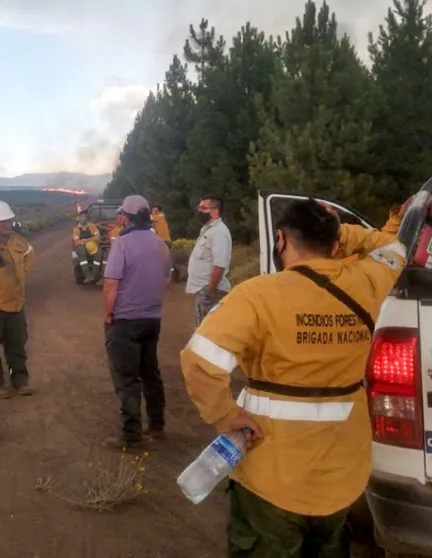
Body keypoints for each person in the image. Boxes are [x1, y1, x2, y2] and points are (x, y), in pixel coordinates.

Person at [179, 199, 406, 557]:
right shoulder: (366, 282)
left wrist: (225, 415)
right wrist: (340, 232)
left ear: (281, 240)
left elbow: (200, 360)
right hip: (341, 473)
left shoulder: (257, 294)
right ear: (334, 243)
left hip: (272, 475)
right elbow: (393, 246)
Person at [101, 195, 173, 451]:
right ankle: (156, 425)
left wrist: (107, 314)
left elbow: (111, 284)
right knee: (150, 373)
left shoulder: (122, 244)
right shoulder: (160, 244)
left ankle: (131, 435)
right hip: (152, 319)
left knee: (127, 378)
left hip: (125, 321)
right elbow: (166, 279)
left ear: (127, 217)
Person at [0, 201, 36, 398]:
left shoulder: (19, 241)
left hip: (16, 303)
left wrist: (22, 273)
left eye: (9, 221)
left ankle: (20, 380)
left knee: (17, 345)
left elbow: (30, 254)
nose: (8, 225)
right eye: (3, 222)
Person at [186, 196, 232, 327]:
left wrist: (210, 290)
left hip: (211, 290)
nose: (199, 211)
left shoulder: (219, 232)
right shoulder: (208, 230)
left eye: (203, 208)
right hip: (204, 289)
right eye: (199, 207)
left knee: (207, 329)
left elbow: (220, 264)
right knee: (202, 327)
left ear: (215, 210)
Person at [72, 210, 102, 284]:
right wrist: (86, 243)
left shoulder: (92, 226)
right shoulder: (76, 229)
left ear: (87, 218)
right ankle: (88, 275)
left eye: (85, 216)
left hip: (92, 245)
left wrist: (87, 240)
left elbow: (98, 237)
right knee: (82, 253)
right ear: (79, 218)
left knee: (99, 253)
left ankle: (93, 274)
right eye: (82, 216)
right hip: (82, 246)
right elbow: (76, 241)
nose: (84, 218)